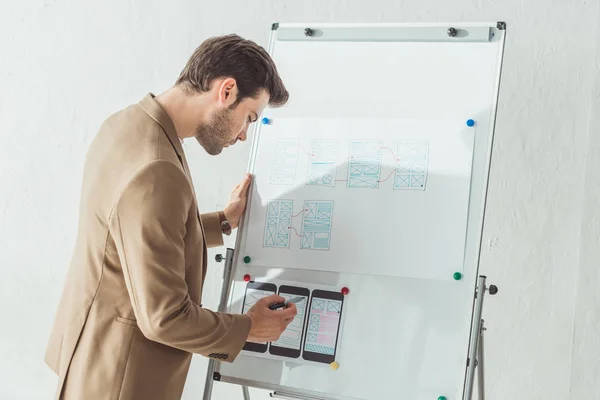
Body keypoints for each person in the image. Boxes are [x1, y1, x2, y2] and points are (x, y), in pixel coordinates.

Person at [44, 34, 297, 400]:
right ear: (226, 91)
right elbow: (165, 317)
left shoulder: (125, 124)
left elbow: (130, 231)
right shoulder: (159, 167)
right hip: (121, 381)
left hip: (91, 359)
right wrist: (249, 327)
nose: (243, 135)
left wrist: (223, 220)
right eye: (249, 118)